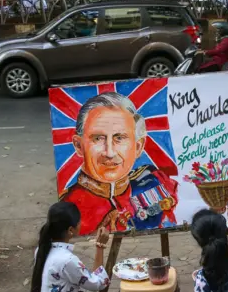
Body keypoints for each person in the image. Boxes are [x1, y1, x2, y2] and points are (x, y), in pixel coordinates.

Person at [61, 92, 178, 235]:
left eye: (120, 138)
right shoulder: (67, 207)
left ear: (138, 147)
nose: (109, 153)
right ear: (79, 146)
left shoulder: (152, 182)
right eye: (98, 138)